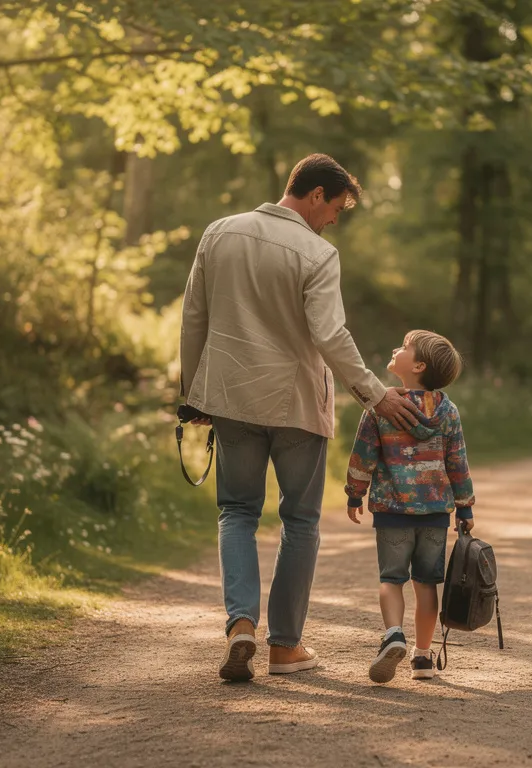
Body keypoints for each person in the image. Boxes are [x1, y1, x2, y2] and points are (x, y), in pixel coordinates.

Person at [179, 153, 423, 682]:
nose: (335, 219)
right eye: (336, 208)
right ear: (315, 195)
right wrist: (375, 394)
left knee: (237, 513)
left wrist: (194, 393)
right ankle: (285, 648)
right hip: (295, 403)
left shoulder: (219, 232)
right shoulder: (318, 253)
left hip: (232, 398)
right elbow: (330, 336)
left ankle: (241, 623)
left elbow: (194, 313)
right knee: (301, 522)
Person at [345, 330, 475, 683]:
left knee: (391, 579)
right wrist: (464, 508)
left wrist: (354, 492)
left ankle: (393, 636)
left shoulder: (381, 407)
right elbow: (457, 464)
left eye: (403, 347)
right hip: (434, 514)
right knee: (427, 583)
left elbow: (363, 456)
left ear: (418, 365)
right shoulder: (448, 412)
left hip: (391, 510)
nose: (395, 348)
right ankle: (421, 657)